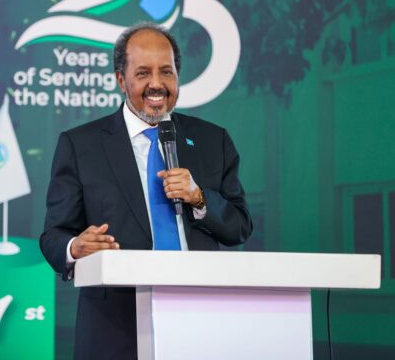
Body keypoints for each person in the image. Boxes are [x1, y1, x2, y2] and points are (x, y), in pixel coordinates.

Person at [39, 22, 253, 359]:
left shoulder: (213, 140)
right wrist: (75, 247)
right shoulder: (80, 145)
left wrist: (199, 198)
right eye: (143, 73)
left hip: (200, 319)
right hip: (114, 326)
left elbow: (240, 226)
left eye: (166, 72)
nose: (157, 84)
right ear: (121, 80)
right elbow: (53, 235)